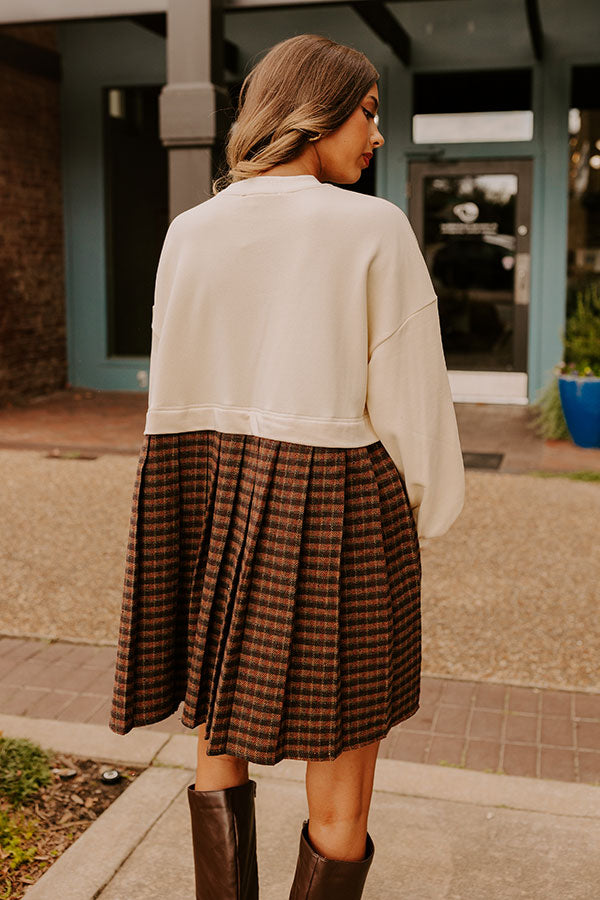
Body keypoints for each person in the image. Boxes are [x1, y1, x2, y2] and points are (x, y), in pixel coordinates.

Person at [109, 33, 465, 900]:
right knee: (339, 794)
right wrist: (422, 513)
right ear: (313, 110)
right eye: (368, 111)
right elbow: (416, 416)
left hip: (208, 501)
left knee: (217, 743)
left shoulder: (188, 233)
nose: (377, 134)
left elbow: (177, 392)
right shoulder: (372, 227)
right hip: (342, 511)